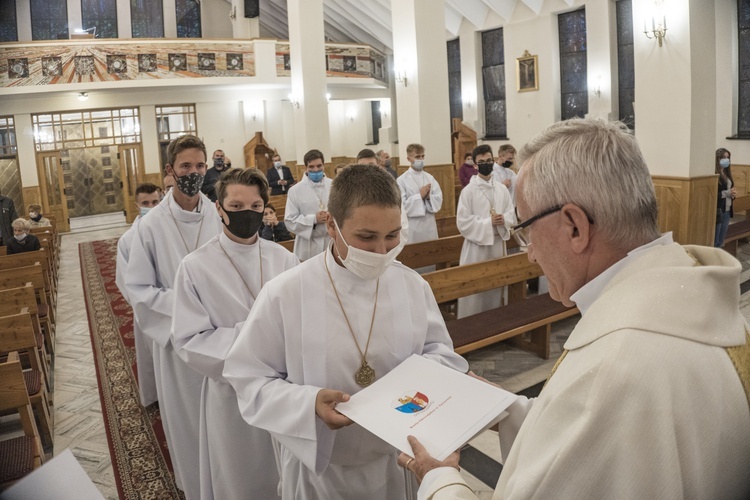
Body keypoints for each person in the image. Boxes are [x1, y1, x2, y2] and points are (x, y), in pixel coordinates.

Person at [399, 118, 750, 499]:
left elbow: (597, 413)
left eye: (526, 230)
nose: (529, 253)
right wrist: (506, 410)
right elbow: (592, 434)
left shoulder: (613, 371)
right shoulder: (700, 301)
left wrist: (439, 478)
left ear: (574, 227)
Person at [224, 164, 468, 500]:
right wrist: (308, 402)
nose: (382, 252)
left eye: (393, 235)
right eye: (367, 237)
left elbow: (442, 355)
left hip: (397, 462)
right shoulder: (286, 292)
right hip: (321, 473)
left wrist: (418, 384)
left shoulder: (412, 286)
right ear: (331, 226)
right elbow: (248, 377)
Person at [172, 168, 298, 499]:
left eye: (256, 207)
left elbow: (303, 321)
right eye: (236, 206)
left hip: (284, 389)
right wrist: (255, 340)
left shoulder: (284, 260)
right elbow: (189, 340)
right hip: (232, 395)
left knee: (287, 476)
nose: (247, 214)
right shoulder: (195, 267)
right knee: (242, 480)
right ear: (219, 208)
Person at [124, 135, 222, 499]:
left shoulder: (216, 213)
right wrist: (185, 305)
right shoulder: (151, 226)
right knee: (188, 423)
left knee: (222, 421)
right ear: (170, 171)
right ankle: (195, 486)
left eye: (199, 166)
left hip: (218, 333)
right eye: (185, 167)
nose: (193, 173)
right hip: (178, 339)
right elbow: (139, 289)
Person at [115, 182, 162, 408]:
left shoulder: (168, 230)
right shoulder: (127, 240)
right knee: (151, 355)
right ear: (137, 205)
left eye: (155, 202)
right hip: (147, 307)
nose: (151, 207)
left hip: (176, 303)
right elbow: (124, 279)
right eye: (146, 203)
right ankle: (156, 396)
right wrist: (146, 301)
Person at [456, 145, 515, 318]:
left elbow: (511, 213)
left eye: (489, 161)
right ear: (475, 165)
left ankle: (494, 323)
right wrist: (488, 222)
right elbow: (463, 223)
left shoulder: (501, 189)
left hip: (497, 246)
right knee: (475, 292)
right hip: (476, 248)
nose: (486, 164)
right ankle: (471, 326)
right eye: (481, 162)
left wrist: (505, 219)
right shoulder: (468, 191)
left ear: (493, 160)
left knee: (495, 287)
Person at [397, 143, 443, 272]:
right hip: (413, 226)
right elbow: (401, 205)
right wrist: (420, 196)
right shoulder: (401, 180)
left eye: (423, 156)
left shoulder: (430, 178)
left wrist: (429, 198)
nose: (421, 159)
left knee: (430, 257)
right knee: (415, 260)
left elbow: (438, 199)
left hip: (429, 224)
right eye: (417, 156)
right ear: (409, 159)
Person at [284, 149, 332, 261]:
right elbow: (290, 221)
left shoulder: (334, 185)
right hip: (307, 245)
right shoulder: (295, 190)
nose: (316, 170)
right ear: (306, 168)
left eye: (319, 166)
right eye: (311, 167)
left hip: (330, 241)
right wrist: (314, 219)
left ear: (324, 166)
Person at [715, 147, 736, 248]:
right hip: (719, 210)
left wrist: (732, 194)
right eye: (724, 157)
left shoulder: (727, 174)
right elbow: (714, 195)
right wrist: (727, 193)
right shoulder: (715, 174)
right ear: (717, 159)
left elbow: (729, 190)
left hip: (727, 210)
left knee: (721, 240)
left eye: (728, 157)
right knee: (715, 241)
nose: (726, 160)